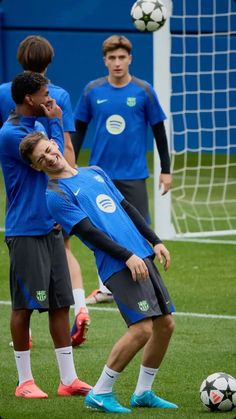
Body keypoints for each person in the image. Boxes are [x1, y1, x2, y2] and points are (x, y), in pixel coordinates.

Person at [19, 131, 177, 413]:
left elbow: (126, 208)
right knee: (141, 329)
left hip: (141, 255)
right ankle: (101, 392)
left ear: (54, 144)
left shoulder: (95, 171)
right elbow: (89, 233)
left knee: (165, 324)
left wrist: (155, 240)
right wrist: (126, 256)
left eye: (47, 149)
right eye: (40, 158)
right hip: (118, 264)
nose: (47, 156)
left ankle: (143, 392)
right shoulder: (55, 195)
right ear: (36, 166)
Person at [0, 72, 92, 398]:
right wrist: (56, 122)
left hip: (50, 226)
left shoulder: (37, 126)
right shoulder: (11, 134)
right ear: (30, 100)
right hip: (25, 230)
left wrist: (52, 122)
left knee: (60, 304)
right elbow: (51, 165)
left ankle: (68, 380)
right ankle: (24, 381)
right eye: (44, 93)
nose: (49, 99)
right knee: (23, 308)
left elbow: (65, 165)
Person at [72, 34, 172, 305]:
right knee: (102, 232)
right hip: (99, 177)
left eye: (122, 57)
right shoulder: (93, 90)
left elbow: (159, 130)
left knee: (140, 230)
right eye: (112, 58)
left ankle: (149, 284)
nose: (117, 63)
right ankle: (107, 287)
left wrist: (166, 169)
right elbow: (79, 128)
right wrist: (71, 162)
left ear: (130, 59)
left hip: (133, 174)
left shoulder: (144, 91)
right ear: (105, 61)